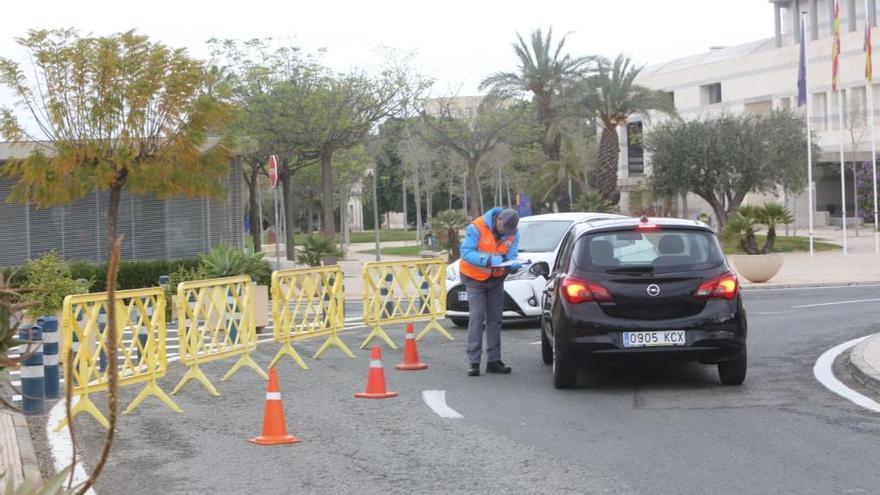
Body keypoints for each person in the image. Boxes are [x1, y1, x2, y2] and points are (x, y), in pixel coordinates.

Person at [459, 207, 522, 376]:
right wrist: (487, 260)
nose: (506, 234)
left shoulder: (513, 232)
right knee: (477, 318)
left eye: (510, 231)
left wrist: (512, 265)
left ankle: (494, 361)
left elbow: (512, 254)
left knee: (495, 319)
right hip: (474, 279)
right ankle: (474, 362)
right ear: (498, 220)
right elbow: (465, 252)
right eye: (504, 229)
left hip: (496, 279)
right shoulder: (476, 227)